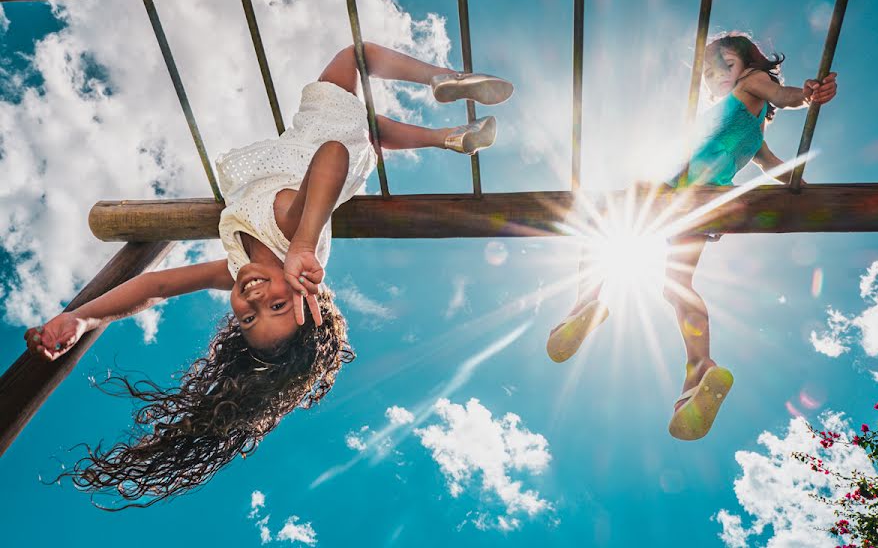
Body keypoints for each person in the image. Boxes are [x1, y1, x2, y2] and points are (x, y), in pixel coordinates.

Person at [23, 42, 514, 506]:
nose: (253, 299)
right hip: (321, 141)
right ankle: (446, 78)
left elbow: (156, 286)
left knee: (374, 130)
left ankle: (450, 138)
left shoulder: (240, 269)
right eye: (277, 306)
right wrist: (302, 241)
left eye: (247, 319)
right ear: (308, 297)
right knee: (356, 55)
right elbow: (331, 156)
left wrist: (84, 319)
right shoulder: (289, 234)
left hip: (338, 151)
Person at [546, 31, 837, 441]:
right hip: (704, 206)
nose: (716, 76)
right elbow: (774, 166)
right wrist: (800, 182)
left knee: (603, 220)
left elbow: (784, 96)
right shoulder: (752, 133)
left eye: (725, 66)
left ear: (750, 65)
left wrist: (806, 95)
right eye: (708, 72)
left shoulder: (750, 84)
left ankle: (585, 302)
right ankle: (700, 369)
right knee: (677, 285)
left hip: (675, 187)